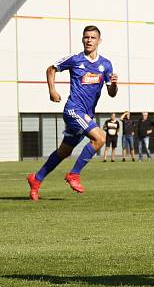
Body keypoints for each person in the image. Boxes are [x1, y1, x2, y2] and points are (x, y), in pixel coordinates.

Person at [26, 25, 117, 199]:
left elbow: (111, 94)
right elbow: (51, 69)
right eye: (86, 37)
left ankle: (36, 179)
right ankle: (74, 174)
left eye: (92, 37)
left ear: (99, 41)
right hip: (74, 110)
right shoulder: (75, 59)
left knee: (64, 151)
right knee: (100, 138)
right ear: (82, 39)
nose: (89, 40)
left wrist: (114, 84)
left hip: (86, 114)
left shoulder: (105, 65)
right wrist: (52, 90)